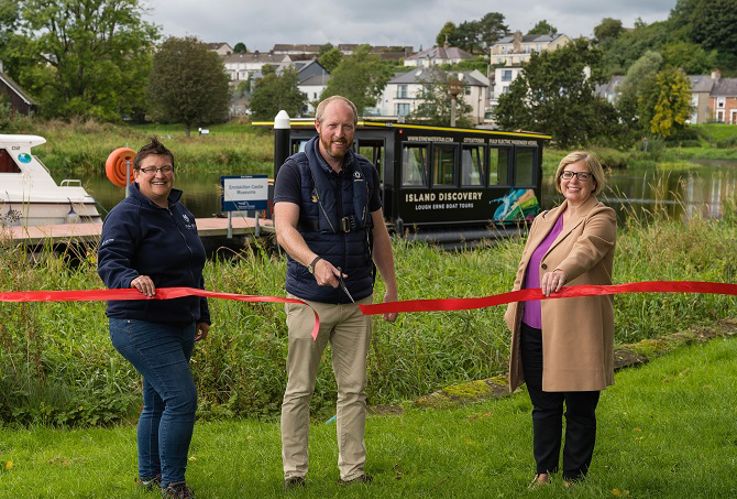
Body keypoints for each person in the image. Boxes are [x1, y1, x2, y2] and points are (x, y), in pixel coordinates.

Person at [273, 95, 398, 489]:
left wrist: (391, 287)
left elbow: (379, 233)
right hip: (308, 302)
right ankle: (295, 473)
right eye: (333, 126)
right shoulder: (293, 170)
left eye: (347, 127)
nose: (340, 134)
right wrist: (314, 262)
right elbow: (284, 231)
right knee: (299, 390)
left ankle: (353, 472)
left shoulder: (365, 171)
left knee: (354, 390)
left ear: (354, 130)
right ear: (317, 126)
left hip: (358, 300)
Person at [98, 137, 210, 499]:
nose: (159, 175)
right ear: (136, 175)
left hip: (179, 321)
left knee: (158, 401)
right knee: (181, 398)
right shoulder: (126, 214)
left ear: (173, 172)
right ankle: (173, 484)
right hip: (139, 323)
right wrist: (131, 277)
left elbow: (194, 268)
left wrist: (201, 313)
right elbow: (110, 261)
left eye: (165, 168)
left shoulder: (180, 212)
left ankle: (149, 477)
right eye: (151, 169)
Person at [503, 151, 616, 488]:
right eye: (567, 174)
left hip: (577, 329)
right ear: (559, 178)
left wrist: (564, 271)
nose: (572, 180)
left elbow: (588, 249)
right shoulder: (545, 218)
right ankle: (544, 472)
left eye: (581, 175)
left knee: (580, 406)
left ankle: (574, 477)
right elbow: (526, 266)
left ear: (594, 181)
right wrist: (513, 308)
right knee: (544, 405)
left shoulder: (602, 217)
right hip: (534, 326)